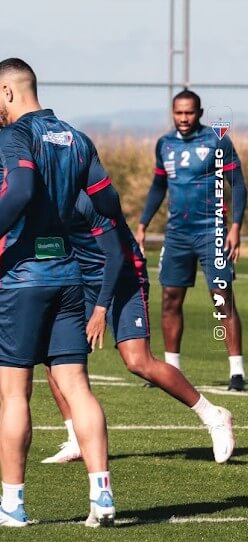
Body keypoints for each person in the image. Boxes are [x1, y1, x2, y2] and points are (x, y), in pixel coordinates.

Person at [0, 58, 122, 528]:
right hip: (69, 276)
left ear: (9, 92)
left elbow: (20, 192)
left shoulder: (16, 136)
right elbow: (107, 202)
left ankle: (13, 505)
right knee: (77, 388)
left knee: (15, 396)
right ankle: (103, 496)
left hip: (20, 279)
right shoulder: (77, 137)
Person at [42, 192, 234, 465]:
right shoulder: (44, 193)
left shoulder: (89, 198)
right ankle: (77, 439)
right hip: (80, 281)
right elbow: (54, 244)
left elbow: (115, 255)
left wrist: (100, 308)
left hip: (123, 278)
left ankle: (213, 415)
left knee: (138, 361)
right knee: (56, 357)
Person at [135, 89, 246, 392]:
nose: (184, 118)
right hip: (177, 234)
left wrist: (235, 226)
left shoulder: (216, 140)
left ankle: (237, 371)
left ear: (199, 112)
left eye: (189, 113)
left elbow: (236, 184)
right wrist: (143, 224)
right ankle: (171, 369)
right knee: (170, 298)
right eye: (178, 113)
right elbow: (158, 186)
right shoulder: (165, 144)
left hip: (212, 231)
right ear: (172, 113)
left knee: (220, 294)